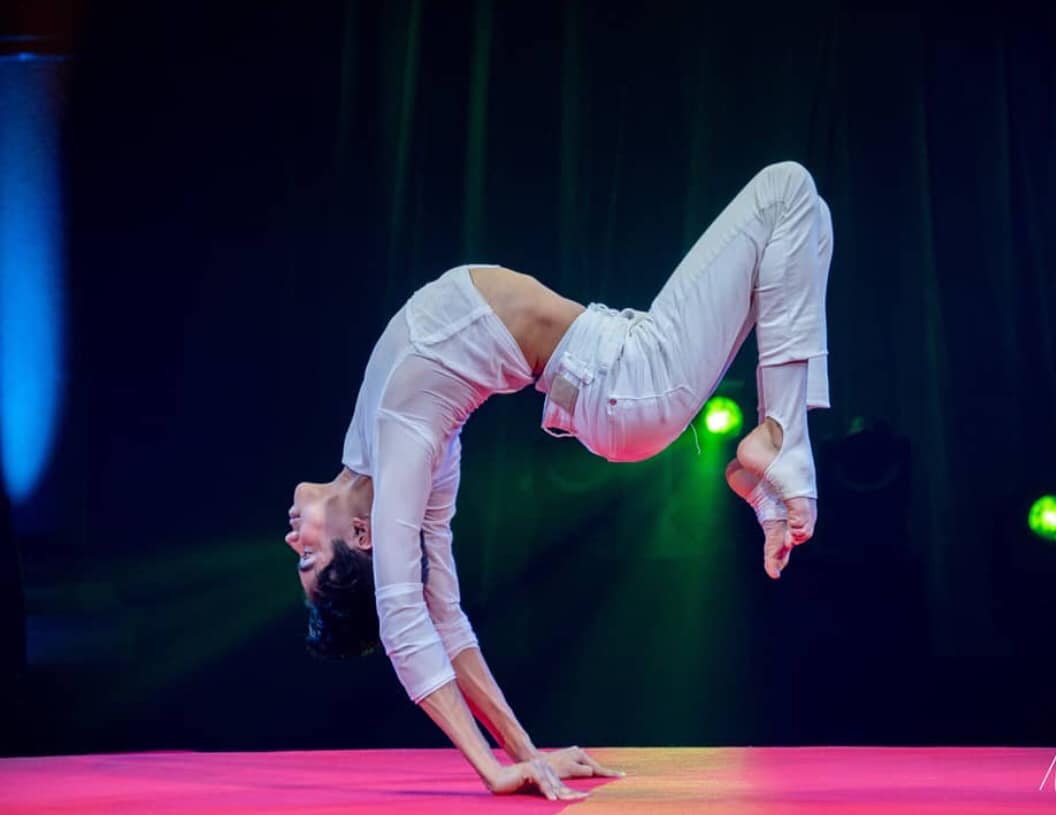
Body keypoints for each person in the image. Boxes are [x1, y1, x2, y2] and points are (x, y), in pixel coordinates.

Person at [285, 161, 834, 800]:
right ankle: (780, 438)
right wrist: (492, 769)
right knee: (786, 191)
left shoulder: (384, 450)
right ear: (363, 535)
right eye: (309, 559)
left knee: (807, 225)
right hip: (627, 382)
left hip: (619, 372)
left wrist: (528, 754)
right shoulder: (405, 434)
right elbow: (404, 618)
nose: (294, 540)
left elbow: (446, 618)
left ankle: (773, 462)